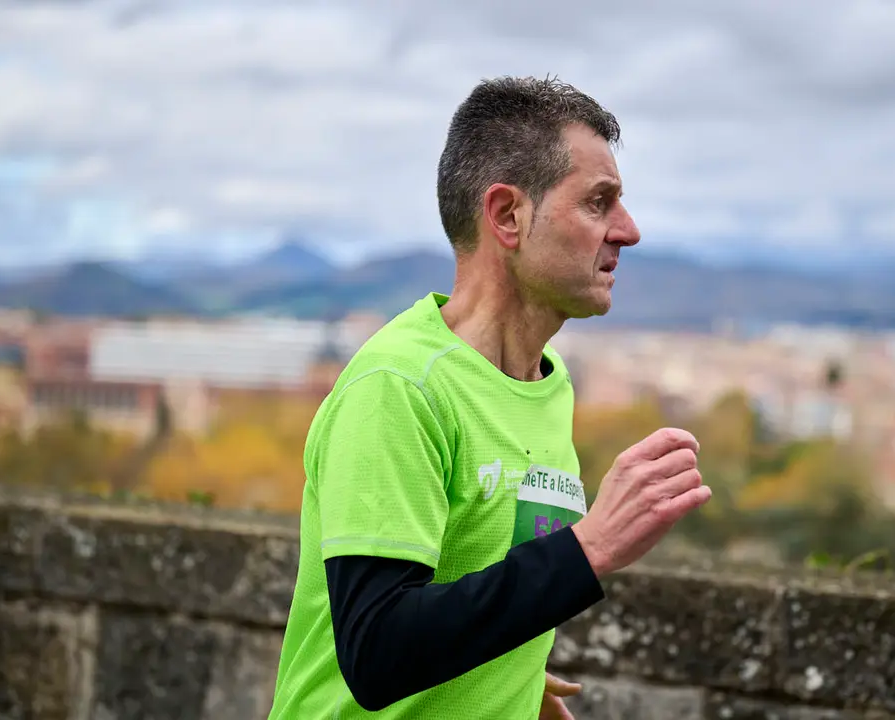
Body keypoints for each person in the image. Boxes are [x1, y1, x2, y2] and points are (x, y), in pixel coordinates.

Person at [267, 75, 712, 720]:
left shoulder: (546, 382)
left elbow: (471, 579)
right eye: (599, 203)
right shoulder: (400, 387)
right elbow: (378, 651)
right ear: (507, 216)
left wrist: (510, 676)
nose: (629, 230)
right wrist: (589, 549)